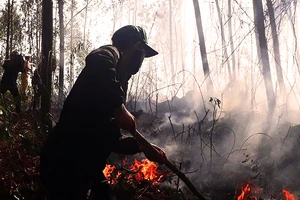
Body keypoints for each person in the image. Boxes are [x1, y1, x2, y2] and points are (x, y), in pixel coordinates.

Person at [40, 25, 166, 200]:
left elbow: (111, 138)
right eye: (143, 52)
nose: (143, 58)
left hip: (86, 165)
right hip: (65, 162)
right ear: (135, 47)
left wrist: (143, 147)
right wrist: (119, 107)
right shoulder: (111, 54)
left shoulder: (118, 80)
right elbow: (99, 58)